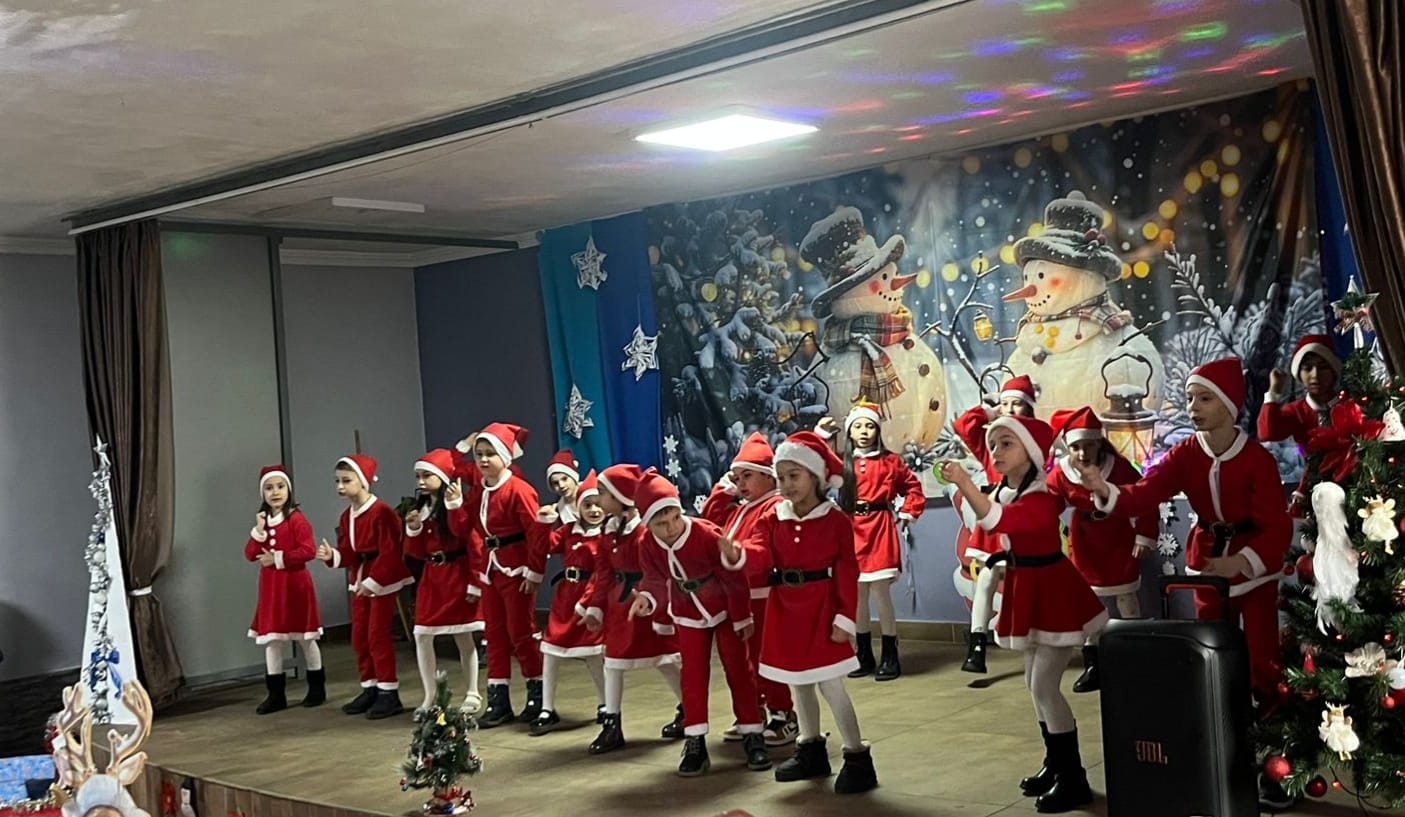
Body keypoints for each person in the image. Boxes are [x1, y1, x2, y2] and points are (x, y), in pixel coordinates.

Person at [1074, 356, 1291, 701]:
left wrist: (1242, 560)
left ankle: (1268, 710)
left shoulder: (1257, 461)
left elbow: (1277, 527)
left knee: (1261, 650)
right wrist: (1104, 489)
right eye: (1190, 398)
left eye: (1205, 398)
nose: (1193, 407)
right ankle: (1219, 710)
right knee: (1212, 644)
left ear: (1230, 404)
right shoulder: (1185, 454)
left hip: (1255, 570)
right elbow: (1146, 493)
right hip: (1207, 560)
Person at [940, 415, 1106, 813]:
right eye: (993, 444)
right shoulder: (1009, 489)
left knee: (1045, 687)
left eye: (1006, 444)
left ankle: (1073, 778)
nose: (995, 451)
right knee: (1034, 685)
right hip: (1027, 585)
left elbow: (997, 520)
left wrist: (963, 482)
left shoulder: (1039, 496)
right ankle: (1056, 764)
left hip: (1053, 593)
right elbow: (994, 519)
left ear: (1030, 452)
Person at [727, 430, 878, 794]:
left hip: (821, 611)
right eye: (781, 477)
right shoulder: (773, 517)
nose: (787, 484)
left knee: (831, 685)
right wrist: (739, 555)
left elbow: (847, 571)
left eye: (794, 475)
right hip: (785, 611)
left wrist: (845, 618)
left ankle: (857, 757)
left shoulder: (835, 520)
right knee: (798, 684)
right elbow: (760, 553)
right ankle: (810, 749)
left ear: (816, 476)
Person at [1045, 407, 1156, 693]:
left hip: (1117, 536)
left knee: (1126, 597)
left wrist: (1144, 535)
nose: (1083, 453)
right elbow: (1047, 505)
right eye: (1076, 447)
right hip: (1084, 541)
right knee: (1087, 603)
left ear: (1099, 443)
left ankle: (1132, 657)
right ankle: (1093, 663)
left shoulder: (1119, 468)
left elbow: (1144, 498)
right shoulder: (1062, 474)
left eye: (1089, 445)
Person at [698, 432, 797, 746]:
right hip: (735, 598)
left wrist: (738, 554)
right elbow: (709, 520)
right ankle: (752, 714)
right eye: (736, 477)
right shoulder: (741, 509)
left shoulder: (775, 507)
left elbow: (764, 551)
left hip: (761, 598)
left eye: (747, 476)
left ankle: (783, 714)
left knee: (764, 659)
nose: (740, 483)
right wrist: (722, 490)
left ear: (769, 476)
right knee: (739, 663)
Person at [581, 463, 685, 754]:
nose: (598, 498)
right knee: (613, 663)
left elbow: (660, 573)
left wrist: (659, 609)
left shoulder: (643, 533)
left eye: (603, 493)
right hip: (619, 608)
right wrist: (595, 607)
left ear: (621, 497)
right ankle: (612, 724)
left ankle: (689, 708)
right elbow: (603, 571)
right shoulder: (608, 530)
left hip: (646, 607)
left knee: (665, 660)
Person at [818, 401, 925, 680]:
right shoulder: (842, 462)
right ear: (849, 432)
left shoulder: (890, 462)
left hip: (879, 529)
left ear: (878, 430)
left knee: (881, 593)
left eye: (869, 426)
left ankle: (890, 654)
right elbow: (817, 466)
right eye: (858, 426)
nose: (864, 431)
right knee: (856, 596)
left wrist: (908, 511)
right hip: (851, 530)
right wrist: (821, 435)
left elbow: (912, 487)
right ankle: (862, 654)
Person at [466, 423, 550, 728]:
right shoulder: (481, 491)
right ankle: (498, 699)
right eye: (479, 454)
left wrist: (534, 570)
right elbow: (470, 526)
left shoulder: (519, 490)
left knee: (521, 632)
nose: (483, 459)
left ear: (505, 456)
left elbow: (536, 533)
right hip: (492, 570)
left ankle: (538, 693)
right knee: (494, 634)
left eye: (490, 453)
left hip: (516, 569)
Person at [952, 375, 1038, 673]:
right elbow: (964, 425)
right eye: (1005, 404)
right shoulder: (992, 444)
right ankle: (977, 645)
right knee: (987, 580)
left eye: (1017, 404)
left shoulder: (1038, 440)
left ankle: (1037, 645)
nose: (1010, 409)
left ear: (1029, 408)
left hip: (1026, 521)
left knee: (1032, 582)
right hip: (995, 521)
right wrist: (988, 411)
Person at [318, 454, 414, 718]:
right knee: (359, 636)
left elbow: (390, 551)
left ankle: (388, 691)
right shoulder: (347, 516)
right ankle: (370, 686)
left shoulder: (382, 513)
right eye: (337, 481)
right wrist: (333, 556)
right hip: (359, 580)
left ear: (362, 481)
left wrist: (374, 581)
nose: (340, 486)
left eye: (346, 481)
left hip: (380, 579)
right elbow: (349, 551)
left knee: (377, 636)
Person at [403, 449, 482, 714]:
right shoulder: (421, 509)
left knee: (463, 636)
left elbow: (468, 538)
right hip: (432, 580)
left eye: (427, 475)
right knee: (422, 635)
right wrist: (414, 529)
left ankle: (472, 691)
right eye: (418, 476)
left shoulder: (459, 505)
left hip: (456, 575)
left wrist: (475, 583)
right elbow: (416, 553)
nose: (421, 482)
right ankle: (430, 695)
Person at [529, 469, 607, 736]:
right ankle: (546, 708)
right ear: (578, 507)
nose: (593, 510)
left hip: (590, 599)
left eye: (598, 504)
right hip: (564, 599)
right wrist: (543, 523)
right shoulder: (568, 531)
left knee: (593, 654)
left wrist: (589, 602)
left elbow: (603, 573)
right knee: (551, 651)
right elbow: (543, 547)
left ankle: (606, 704)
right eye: (587, 505)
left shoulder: (606, 536)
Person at [245, 465, 324, 714]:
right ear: (263, 493)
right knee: (272, 640)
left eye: (280, 486)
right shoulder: (263, 522)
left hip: (295, 585)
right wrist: (259, 531)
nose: (275, 492)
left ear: (288, 490)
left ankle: (317, 688)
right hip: (271, 589)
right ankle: (276, 694)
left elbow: (308, 550)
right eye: (269, 488)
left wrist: (277, 558)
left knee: (305, 638)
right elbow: (250, 554)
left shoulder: (297, 519)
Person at [1257, 333, 1342, 513]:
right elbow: (1267, 432)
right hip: (1314, 484)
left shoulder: (1349, 405)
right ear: (1299, 374)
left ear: (1334, 370)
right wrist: (1274, 392)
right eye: (1307, 368)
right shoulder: (1297, 411)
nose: (1315, 375)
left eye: (1322, 367)